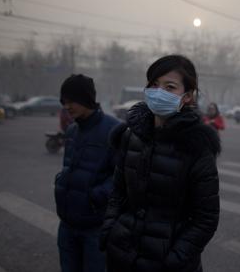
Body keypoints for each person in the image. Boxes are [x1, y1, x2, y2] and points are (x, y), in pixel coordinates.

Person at [100, 55, 221, 272]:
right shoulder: (130, 136)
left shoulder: (197, 148)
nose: (158, 92)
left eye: (170, 87)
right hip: (121, 256)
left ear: (187, 96)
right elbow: (118, 192)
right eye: (154, 85)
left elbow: (206, 219)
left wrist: (174, 259)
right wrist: (110, 230)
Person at [54, 74, 120, 272]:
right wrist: (60, 182)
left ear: (86, 99)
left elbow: (122, 177)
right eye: (64, 101)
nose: (66, 106)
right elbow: (67, 167)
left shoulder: (114, 130)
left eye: (71, 100)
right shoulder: (72, 131)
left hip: (95, 228)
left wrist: (96, 197)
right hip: (66, 225)